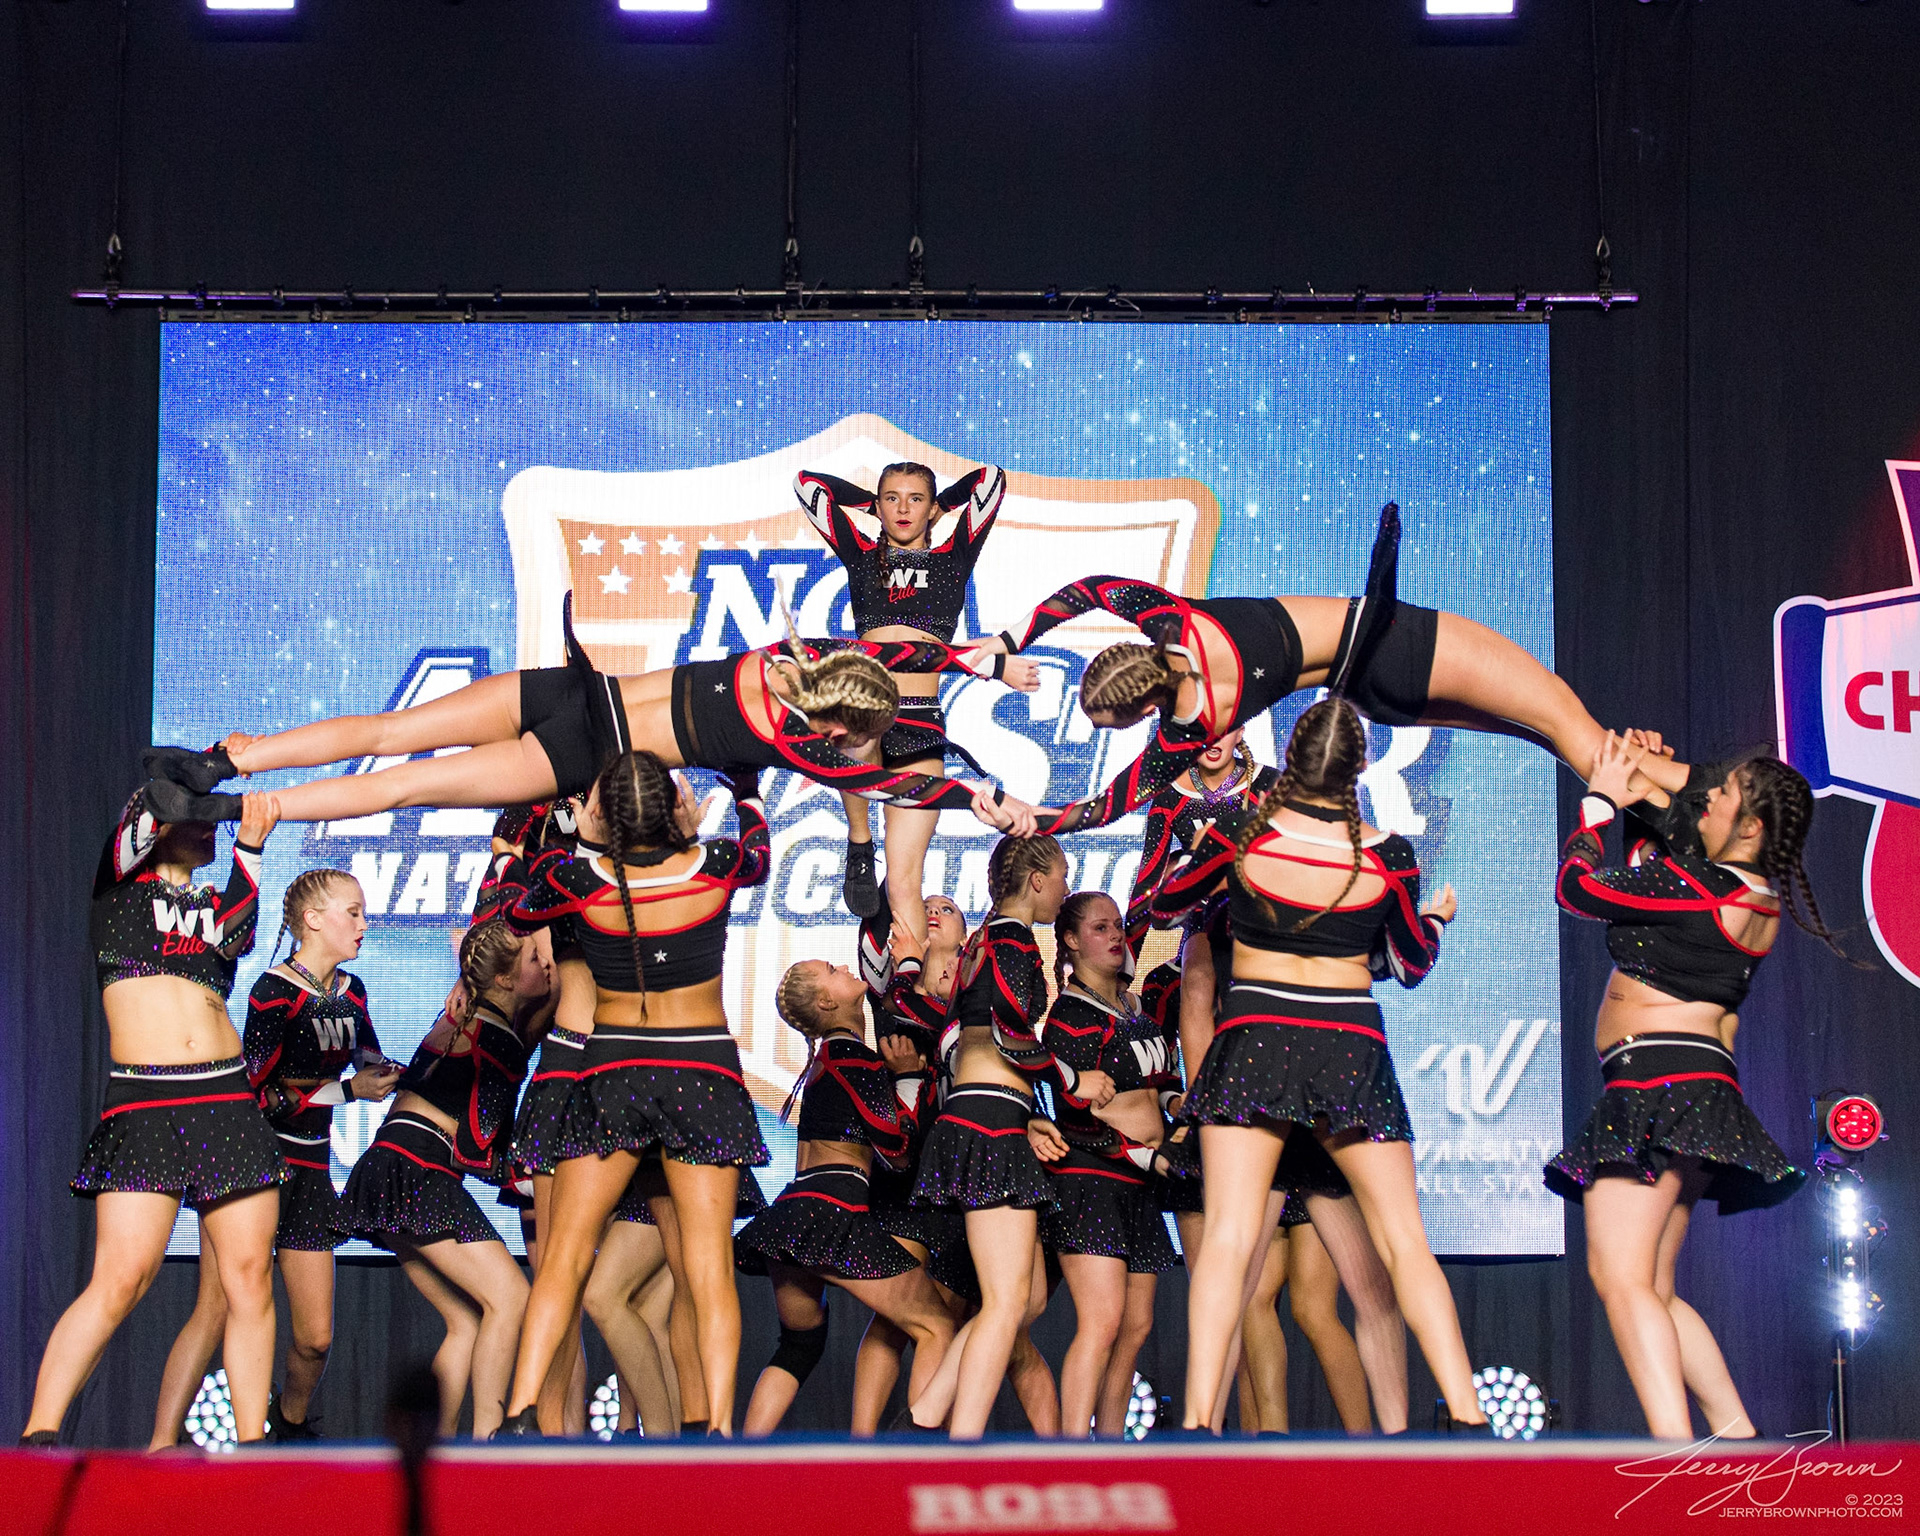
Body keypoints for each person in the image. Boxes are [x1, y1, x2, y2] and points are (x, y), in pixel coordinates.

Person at [1152, 697, 1487, 1431]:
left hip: (1255, 1036)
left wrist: (1202, 858)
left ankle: (1199, 1424)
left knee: (1230, 1239)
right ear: (1360, 766)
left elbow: (1166, 903)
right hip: (1349, 1044)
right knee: (1404, 1242)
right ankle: (1468, 1419)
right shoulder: (1389, 855)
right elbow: (1408, 964)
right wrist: (1434, 919)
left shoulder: (1240, 833)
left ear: (1288, 758)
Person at [971, 506, 1685, 834]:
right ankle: (1697, 813)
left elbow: (1103, 808)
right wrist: (1008, 639)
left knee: (1551, 737)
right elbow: (1088, 591)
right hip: (1400, 646)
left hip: (1374, 691)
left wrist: (1031, 816)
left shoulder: (1192, 730)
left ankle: (1683, 807)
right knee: (1563, 718)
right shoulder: (1172, 616)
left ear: (1140, 709)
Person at [1545, 737, 1827, 1439]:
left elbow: (1579, 890)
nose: (1708, 796)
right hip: (1694, 1088)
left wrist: (1599, 805)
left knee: (1621, 1280)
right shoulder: (1742, 889)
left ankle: (1675, 1456)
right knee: (1656, 1288)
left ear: (1751, 827)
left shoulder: (1706, 885)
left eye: (1724, 794)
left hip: (1656, 1087)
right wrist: (1640, 784)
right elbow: (1666, 856)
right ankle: (1737, 1438)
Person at [140, 614, 1043, 831]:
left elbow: (898, 646)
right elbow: (893, 783)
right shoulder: (793, 740)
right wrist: (982, 796)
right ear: (839, 724)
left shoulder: (789, 653)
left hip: (570, 692)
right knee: (405, 786)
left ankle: (224, 760)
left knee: (388, 731)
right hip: (580, 748)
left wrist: (985, 658)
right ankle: (230, 811)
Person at [1130, 734, 1407, 1434]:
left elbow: (1374, 936)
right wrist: (1200, 1109)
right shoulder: (1188, 854)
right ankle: (1240, 1441)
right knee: (1248, 1289)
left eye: (1226, 727)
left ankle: (1378, 1450)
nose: (1214, 742)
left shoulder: (1283, 814)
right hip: (1245, 1094)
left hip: (1313, 1083)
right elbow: (1167, 935)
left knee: (1323, 1298)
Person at [496, 751, 770, 1437]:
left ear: (602, 815)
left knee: (564, 1257)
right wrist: (746, 788)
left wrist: (554, 844)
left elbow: (519, 906)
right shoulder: (718, 864)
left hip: (613, 1069)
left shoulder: (577, 879)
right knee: (707, 1268)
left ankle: (521, 1412)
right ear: (677, 806)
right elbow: (760, 852)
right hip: (702, 1072)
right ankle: (718, 1430)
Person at [24, 789, 284, 1446]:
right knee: (121, 1278)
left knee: (248, 1278)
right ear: (160, 823)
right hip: (144, 1101)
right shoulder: (117, 887)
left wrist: (250, 846)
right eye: (200, 817)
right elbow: (160, 796)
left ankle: (252, 1451)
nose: (212, 829)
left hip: (225, 1100)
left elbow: (238, 938)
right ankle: (38, 1440)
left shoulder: (214, 903)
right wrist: (219, 766)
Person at [150, 868, 403, 1447]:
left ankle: (288, 1426)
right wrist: (348, 1091)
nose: (364, 924)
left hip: (312, 1169)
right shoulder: (274, 992)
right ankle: (160, 1444)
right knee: (216, 1307)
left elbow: (372, 1062)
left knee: (315, 1339)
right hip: (253, 1162)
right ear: (312, 919)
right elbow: (259, 1096)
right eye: (353, 912)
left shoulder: (353, 992)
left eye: (364, 913)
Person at [904, 836, 1115, 1439]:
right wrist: (1073, 1079)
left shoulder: (984, 941)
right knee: (1003, 1303)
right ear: (1037, 879)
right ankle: (959, 1445)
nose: (1066, 889)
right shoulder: (1011, 938)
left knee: (1026, 1301)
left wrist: (1028, 1114)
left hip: (993, 1115)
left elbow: (965, 1036)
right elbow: (1006, 1031)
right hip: (989, 1121)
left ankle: (923, 1418)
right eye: (1064, 875)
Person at [337, 919, 553, 1437]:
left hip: (386, 1165)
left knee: (467, 1322)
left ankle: (434, 1448)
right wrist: (532, 1175)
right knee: (512, 1299)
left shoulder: (459, 1016)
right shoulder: (500, 1041)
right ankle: (487, 1444)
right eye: (533, 960)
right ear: (503, 979)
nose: (545, 965)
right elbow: (477, 1147)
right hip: (420, 1172)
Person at [735, 959, 957, 1434]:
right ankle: (916, 1458)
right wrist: (907, 1076)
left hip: (792, 1215)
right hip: (834, 1213)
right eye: (832, 970)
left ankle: (740, 1460)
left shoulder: (827, 1057)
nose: (843, 966)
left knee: (799, 1344)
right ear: (826, 1002)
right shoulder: (852, 1054)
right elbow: (896, 1150)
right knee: (936, 1327)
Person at [794, 462, 1005, 925]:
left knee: (904, 884)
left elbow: (991, 479)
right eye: (892, 498)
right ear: (879, 505)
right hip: (867, 709)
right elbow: (807, 484)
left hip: (920, 722)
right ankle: (859, 840)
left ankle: (910, 966)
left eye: (915, 499)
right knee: (852, 723)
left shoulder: (953, 557)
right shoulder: (862, 555)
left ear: (930, 508)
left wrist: (943, 505)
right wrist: (870, 506)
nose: (903, 508)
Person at [1028, 892, 1180, 1438]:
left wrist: (1178, 1106)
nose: (1115, 935)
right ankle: (1072, 1450)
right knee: (1102, 1321)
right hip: (1091, 1178)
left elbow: (1161, 1083)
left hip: (1142, 1184)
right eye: (1100, 927)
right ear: (1070, 941)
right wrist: (1149, 1156)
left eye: (1117, 925)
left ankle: (1110, 1446)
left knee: (1136, 1327)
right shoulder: (1069, 1016)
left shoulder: (1135, 1006)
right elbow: (1078, 1120)